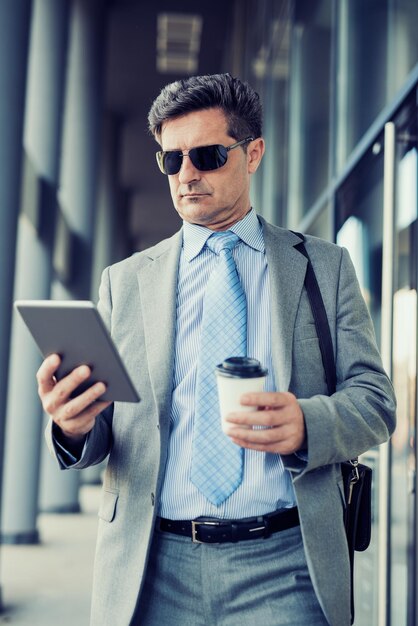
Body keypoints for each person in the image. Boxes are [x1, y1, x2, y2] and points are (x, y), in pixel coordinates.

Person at [37, 73, 396, 626]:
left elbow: (375, 400)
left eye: (206, 155)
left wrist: (308, 422)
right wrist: (73, 425)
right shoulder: (125, 282)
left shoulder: (324, 267)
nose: (187, 175)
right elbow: (109, 428)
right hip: (153, 569)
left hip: (285, 565)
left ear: (253, 153)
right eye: (171, 160)